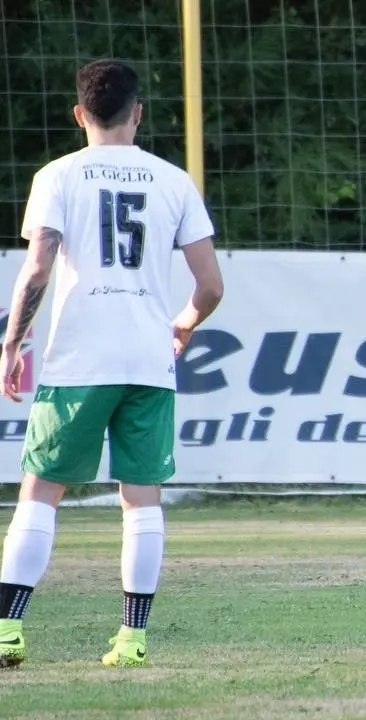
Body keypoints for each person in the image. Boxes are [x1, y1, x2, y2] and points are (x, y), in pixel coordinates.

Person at [0, 59, 224, 668]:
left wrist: (12, 344)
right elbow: (210, 287)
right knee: (142, 499)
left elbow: (39, 269)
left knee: (41, 491)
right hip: (148, 360)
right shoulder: (174, 181)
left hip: (79, 358)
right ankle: (132, 638)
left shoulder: (57, 175)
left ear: (80, 114)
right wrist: (180, 325)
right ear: (138, 112)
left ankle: (7, 629)